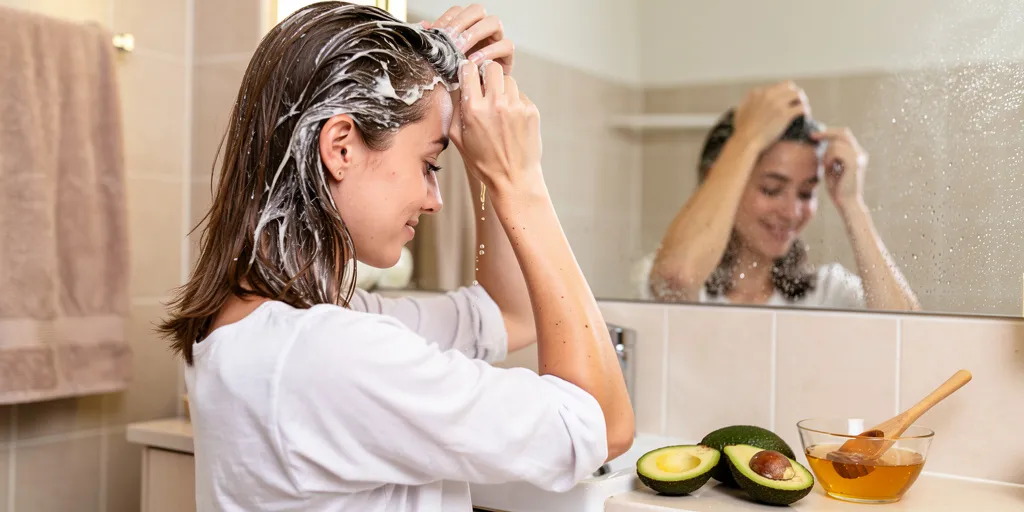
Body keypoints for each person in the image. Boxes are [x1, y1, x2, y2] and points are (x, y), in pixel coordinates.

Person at [158, 3, 634, 511]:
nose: (435, 199)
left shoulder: (273, 332)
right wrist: (519, 178)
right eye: (429, 164)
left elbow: (507, 314)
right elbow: (601, 425)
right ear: (341, 147)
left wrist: (480, 152)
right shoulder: (330, 354)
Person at [646, 81, 920, 311]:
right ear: (723, 180)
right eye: (771, 189)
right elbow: (678, 278)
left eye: (806, 193)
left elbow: (907, 335)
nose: (791, 212)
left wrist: (852, 203)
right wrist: (747, 139)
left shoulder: (827, 292)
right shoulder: (682, 279)